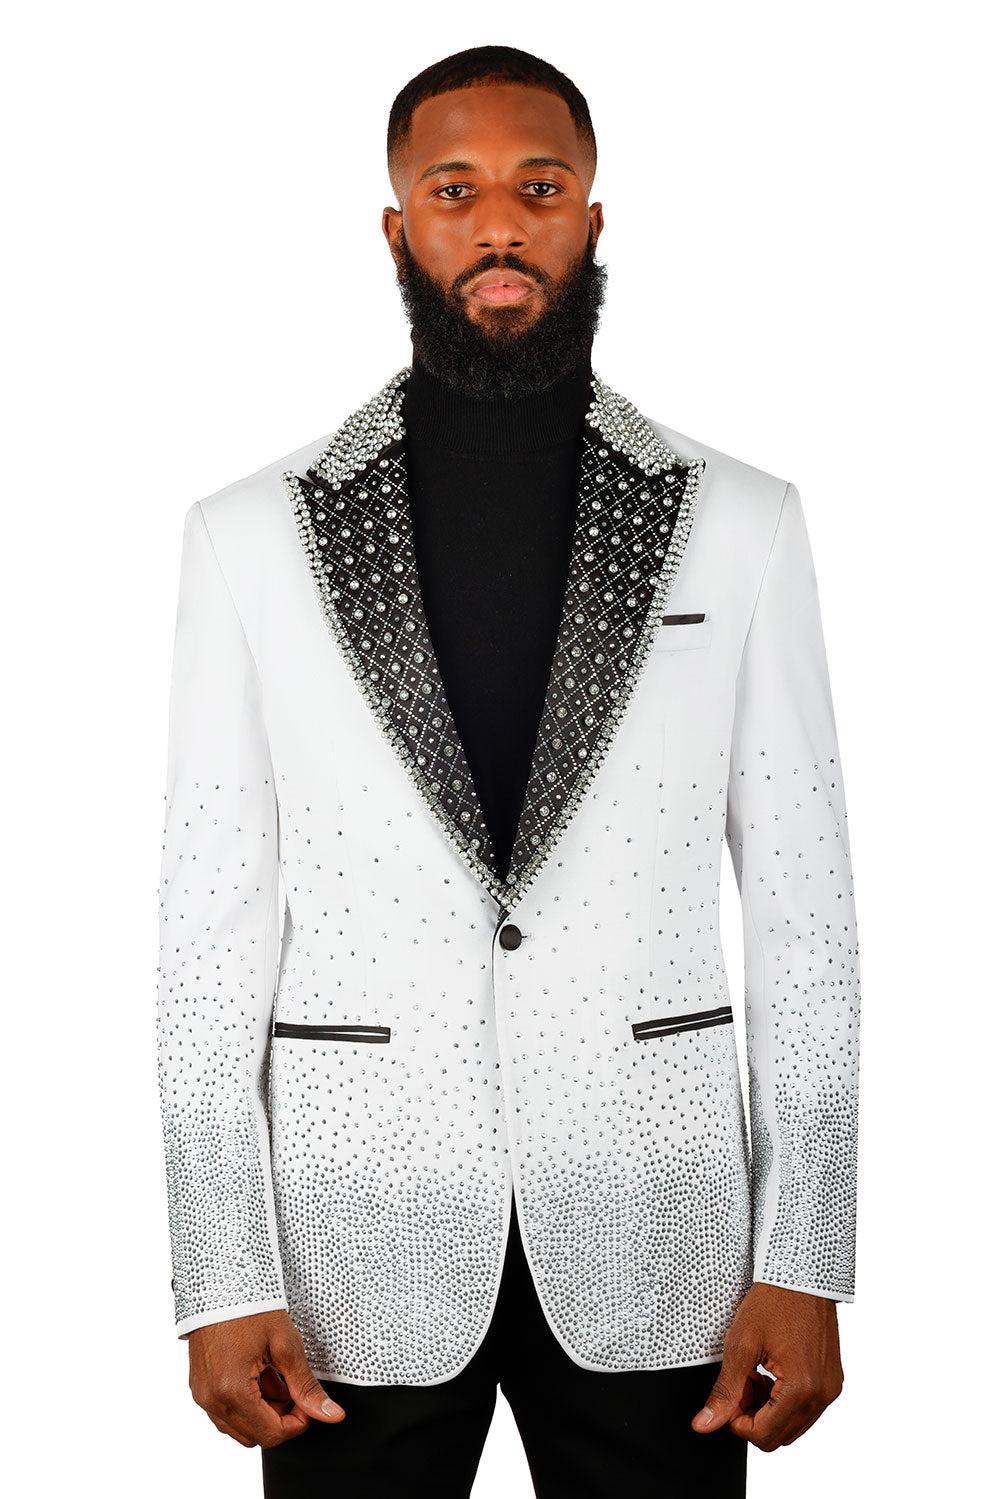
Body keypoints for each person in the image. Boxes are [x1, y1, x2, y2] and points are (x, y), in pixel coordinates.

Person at [155, 43, 861, 1499]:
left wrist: (807, 1254)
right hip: (354, 1234)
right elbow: (207, 928)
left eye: (539, 190)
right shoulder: (249, 536)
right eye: (453, 190)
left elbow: (807, 915)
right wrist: (219, 1271)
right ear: (397, 227)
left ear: (592, 219)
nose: (498, 225)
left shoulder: (741, 522)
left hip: (662, 1223)